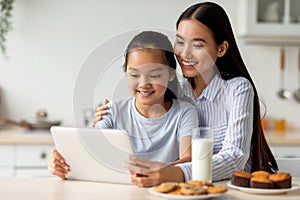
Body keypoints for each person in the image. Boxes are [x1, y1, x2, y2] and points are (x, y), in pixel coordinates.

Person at [94, 2, 278, 187]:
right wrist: (107, 117)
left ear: (221, 49)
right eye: (180, 42)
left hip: (232, 188)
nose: (184, 53)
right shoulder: (175, 91)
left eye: (197, 44)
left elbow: (234, 157)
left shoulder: (237, 88)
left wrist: (174, 172)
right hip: (188, 190)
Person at [48, 31, 199, 180]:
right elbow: (90, 154)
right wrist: (61, 163)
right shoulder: (113, 111)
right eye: (134, 75)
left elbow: (189, 160)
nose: (144, 84)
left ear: (171, 74)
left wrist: (154, 172)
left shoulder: (184, 113)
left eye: (154, 75)